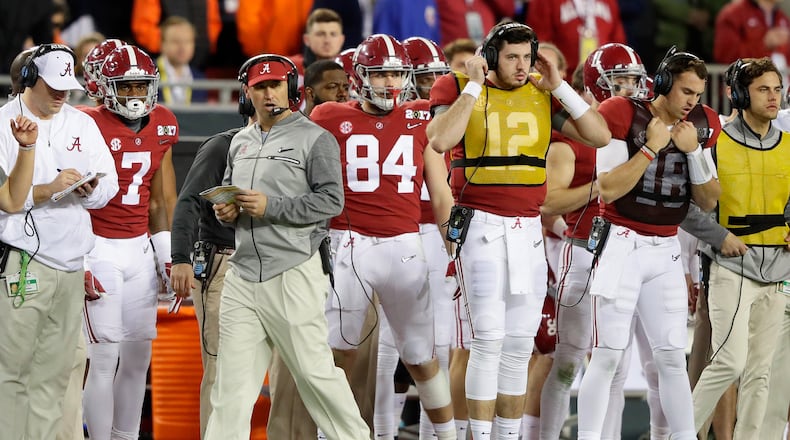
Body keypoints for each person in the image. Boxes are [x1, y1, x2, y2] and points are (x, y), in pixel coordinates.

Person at [426, 21, 610, 440]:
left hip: (527, 228)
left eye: (527, 56)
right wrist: (472, 88)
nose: (522, 65)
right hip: (480, 225)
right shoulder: (455, 85)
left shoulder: (543, 94)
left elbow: (599, 136)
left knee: (518, 342)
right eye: (511, 56)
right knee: (487, 339)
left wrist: (560, 86)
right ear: (490, 56)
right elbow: (439, 140)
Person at [205, 53, 369, 440]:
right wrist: (225, 212)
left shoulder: (315, 138)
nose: (268, 93)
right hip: (243, 274)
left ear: (291, 88)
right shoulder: (239, 141)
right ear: (247, 93)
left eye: (276, 84)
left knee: (316, 375)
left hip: (293, 270)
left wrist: (270, 207)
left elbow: (332, 201)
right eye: (260, 87)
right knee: (230, 388)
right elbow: (229, 196)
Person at [311, 33, 457, 440]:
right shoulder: (327, 116)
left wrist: (453, 252)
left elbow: (441, 193)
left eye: (396, 73)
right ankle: (332, 435)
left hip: (404, 245)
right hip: (348, 245)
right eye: (380, 74)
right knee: (339, 354)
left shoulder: (421, 118)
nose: (390, 83)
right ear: (359, 77)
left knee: (421, 356)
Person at [573, 46, 721, 440]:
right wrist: (651, 147)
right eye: (686, 91)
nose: (692, 102)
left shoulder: (702, 124)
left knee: (672, 358)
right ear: (664, 84)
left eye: (697, 94)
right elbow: (608, 187)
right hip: (621, 243)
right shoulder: (623, 113)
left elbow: (708, 200)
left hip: (666, 247)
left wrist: (694, 155)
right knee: (607, 356)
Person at [0, 43, 119, 440]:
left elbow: (109, 183)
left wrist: (91, 192)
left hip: (70, 264)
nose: (62, 94)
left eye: (67, 85)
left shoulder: (82, 123)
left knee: (55, 376)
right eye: (53, 85)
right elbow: (6, 203)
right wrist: (49, 189)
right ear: (29, 79)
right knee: (12, 372)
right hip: (21, 261)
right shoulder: (2, 125)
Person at [80, 45, 179, 440]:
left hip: (138, 247)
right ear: (103, 86)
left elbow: (162, 198)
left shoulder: (164, 123)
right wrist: (81, 260)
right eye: (126, 85)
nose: (136, 94)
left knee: (139, 358)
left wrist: (168, 254)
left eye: (142, 85)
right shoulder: (86, 123)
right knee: (103, 359)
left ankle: (126, 437)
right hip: (97, 245)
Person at [691, 57, 790, 440]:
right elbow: (686, 206)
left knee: (761, 372)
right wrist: (719, 238)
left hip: (779, 270)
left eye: (777, 89)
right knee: (729, 363)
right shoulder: (714, 143)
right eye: (763, 89)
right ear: (738, 93)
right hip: (731, 266)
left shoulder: (787, 145)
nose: (772, 97)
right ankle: (681, 433)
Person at [170, 122, 245, 438]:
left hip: (276, 263)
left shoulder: (296, 143)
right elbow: (189, 201)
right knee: (222, 368)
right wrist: (180, 257)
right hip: (223, 260)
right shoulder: (222, 146)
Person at [527, 0, 627, 78]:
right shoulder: (544, 2)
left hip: (603, 78)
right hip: (564, 80)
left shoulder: (609, 2)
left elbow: (618, 45)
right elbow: (541, 45)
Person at [713, 0, 790, 65]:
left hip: (780, 80)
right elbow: (725, 56)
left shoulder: (782, 17)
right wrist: (764, 44)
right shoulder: (733, 13)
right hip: (749, 80)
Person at [156, 16, 208, 105]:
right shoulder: (148, 75)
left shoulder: (199, 78)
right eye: (176, 42)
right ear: (163, 44)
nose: (182, 48)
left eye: (187, 41)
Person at [291, 8, 346, 73]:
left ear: (341, 40)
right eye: (320, 34)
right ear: (306, 40)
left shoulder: (353, 71)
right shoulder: (291, 68)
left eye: (333, 34)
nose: (327, 41)